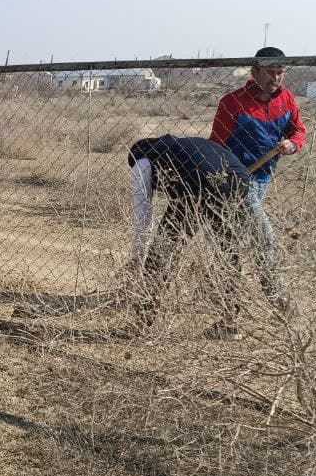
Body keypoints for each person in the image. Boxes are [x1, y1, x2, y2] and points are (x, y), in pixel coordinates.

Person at [128, 134, 287, 339]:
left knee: (163, 251)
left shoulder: (140, 159)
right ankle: (229, 323)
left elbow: (143, 213)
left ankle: (142, 321)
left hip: (200, 185)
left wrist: (138, 255)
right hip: (239, 183)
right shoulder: (184, 145)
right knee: (229, 253)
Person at [209, 46, 306, 269]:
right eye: (270, 72)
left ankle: (224, 282)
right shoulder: (233, 102)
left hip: (265, 177)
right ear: (255, 72)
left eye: (280, 72)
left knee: (233, 234)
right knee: (266, 238)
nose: (276, 78)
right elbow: (216, 143)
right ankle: (272, 287)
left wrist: (292, 144)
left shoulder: (286, 99)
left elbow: (298, 131)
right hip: (238, 179)